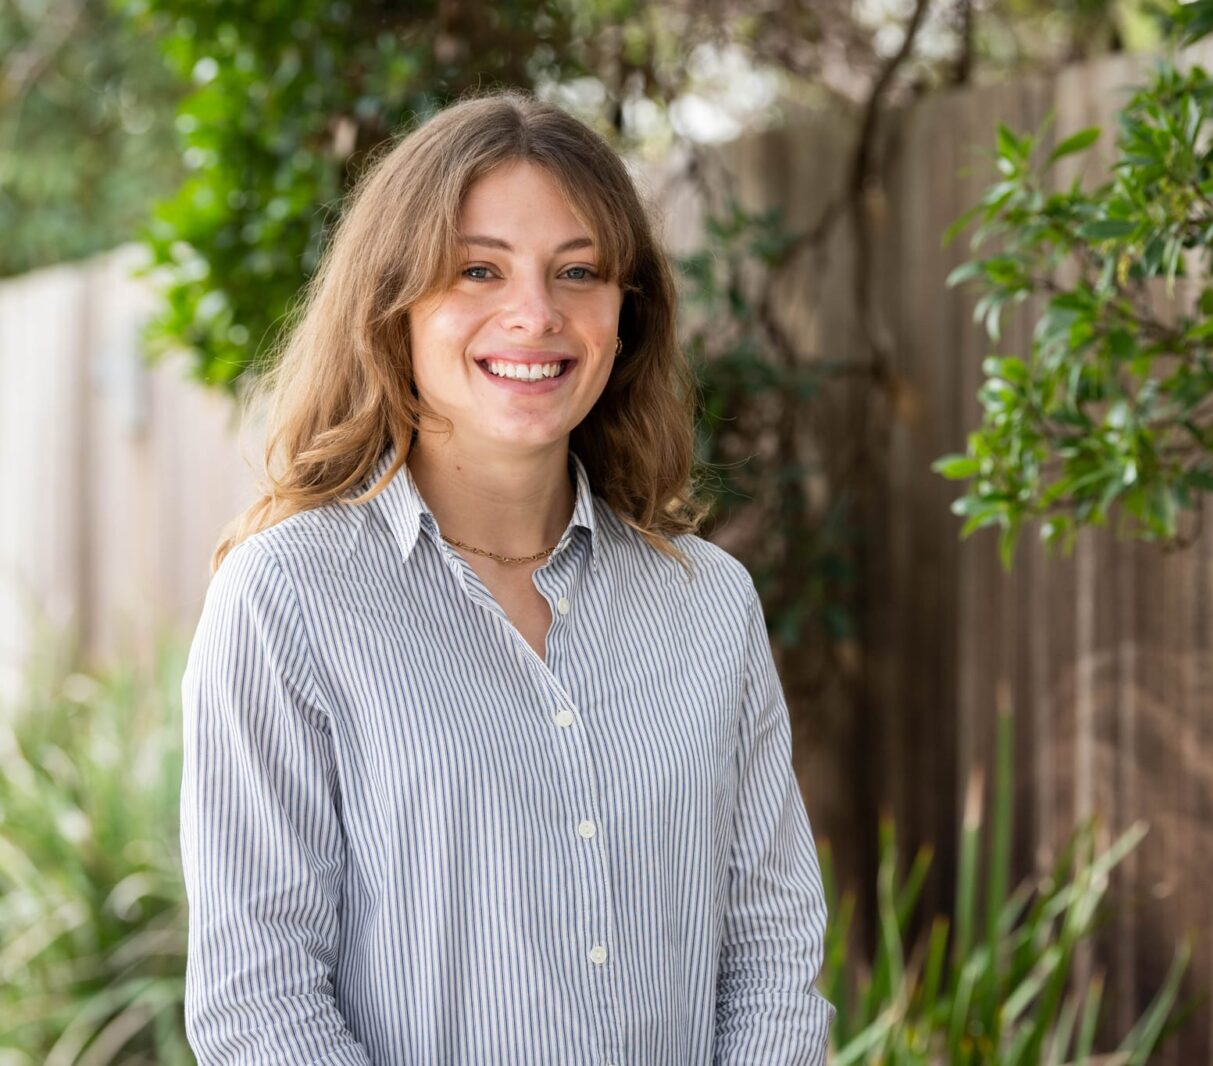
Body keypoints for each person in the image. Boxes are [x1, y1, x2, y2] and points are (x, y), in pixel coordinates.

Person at [178, 90, 835, 1065]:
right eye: (477, 269)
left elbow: (772, 958)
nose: (535, 314)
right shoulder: (288, 601)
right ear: (392, 303)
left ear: (626, 315)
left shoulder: (708, 605)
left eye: (577, 271)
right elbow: (258, 1001)